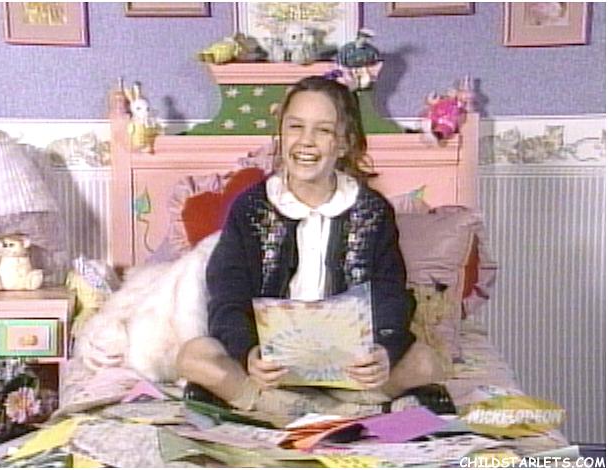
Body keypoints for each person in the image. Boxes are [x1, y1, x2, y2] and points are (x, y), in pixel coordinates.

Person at [176, 76, 444, 416]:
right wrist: (248, 353)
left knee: (426, 361)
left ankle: (297, 407)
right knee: (194, 356)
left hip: (348, 367)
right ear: (281, 134)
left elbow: (390, 293)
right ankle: (304, 405)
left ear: (344, 144)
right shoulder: (250, 208)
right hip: (273, 366)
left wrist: (383, 349)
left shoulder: (372, 211)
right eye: (296, 127)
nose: (306, 141)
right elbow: (227, 294)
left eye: (323, 130)